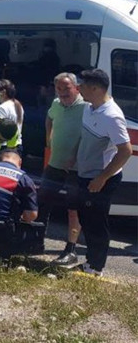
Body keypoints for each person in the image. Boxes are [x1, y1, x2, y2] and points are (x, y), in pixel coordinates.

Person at [74, 69, 131, 277]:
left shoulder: (112, 115)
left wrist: (102, 178)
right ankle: (90, 261)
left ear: (95, 88)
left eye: (83, 85)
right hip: (85, 173)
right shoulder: (89, 108)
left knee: (96, 222)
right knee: (86, 219)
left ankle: (96, 267)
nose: (79, 89)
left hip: (100, 177)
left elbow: (125, 151)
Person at [38, 72, 86, 266]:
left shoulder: (87, 107)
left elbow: (90, 135)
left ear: (77, 88)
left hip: (76, 169)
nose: (62, 92)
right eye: (59, 88)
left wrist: (76, 155)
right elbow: (49, 118)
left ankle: (70, 250)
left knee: (73, 210)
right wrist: (48, 139)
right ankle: (35, 240)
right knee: (42, 202)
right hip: (55, 164)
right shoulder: (57, 104)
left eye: (66, 88)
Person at [0, 79, 24, 151]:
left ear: (3, 92)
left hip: (4, 146)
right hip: (17, 145)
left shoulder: (1, 108)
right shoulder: (18, 105)